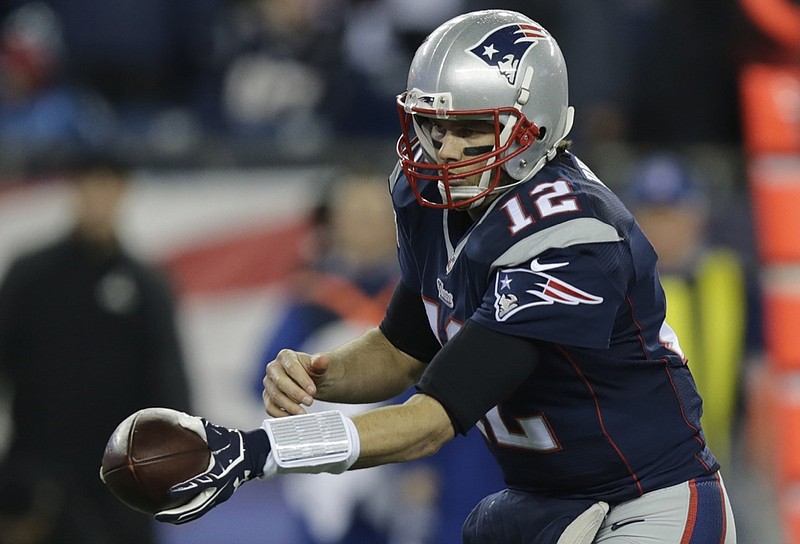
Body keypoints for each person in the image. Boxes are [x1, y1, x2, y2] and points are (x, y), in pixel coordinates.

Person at [152, 10, 736, 543]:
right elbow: (406, 347)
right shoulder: (436, 200)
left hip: (645, 498)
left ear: (534, 126)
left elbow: (433, 418)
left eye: (472, 129)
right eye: (434, 126)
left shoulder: (573, 237)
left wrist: (260, 451)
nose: (446, 150)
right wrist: (321, 377)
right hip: (544, 500)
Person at [0, 155, 192, 544]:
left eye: (108, 187)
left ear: (123, 193)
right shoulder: (31, 275)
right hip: (39, 473)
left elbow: (169, 379)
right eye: (89, 186)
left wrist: (174, 463)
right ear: (74, 191)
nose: (98, 198)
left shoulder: (148, 285)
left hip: (123, 476)